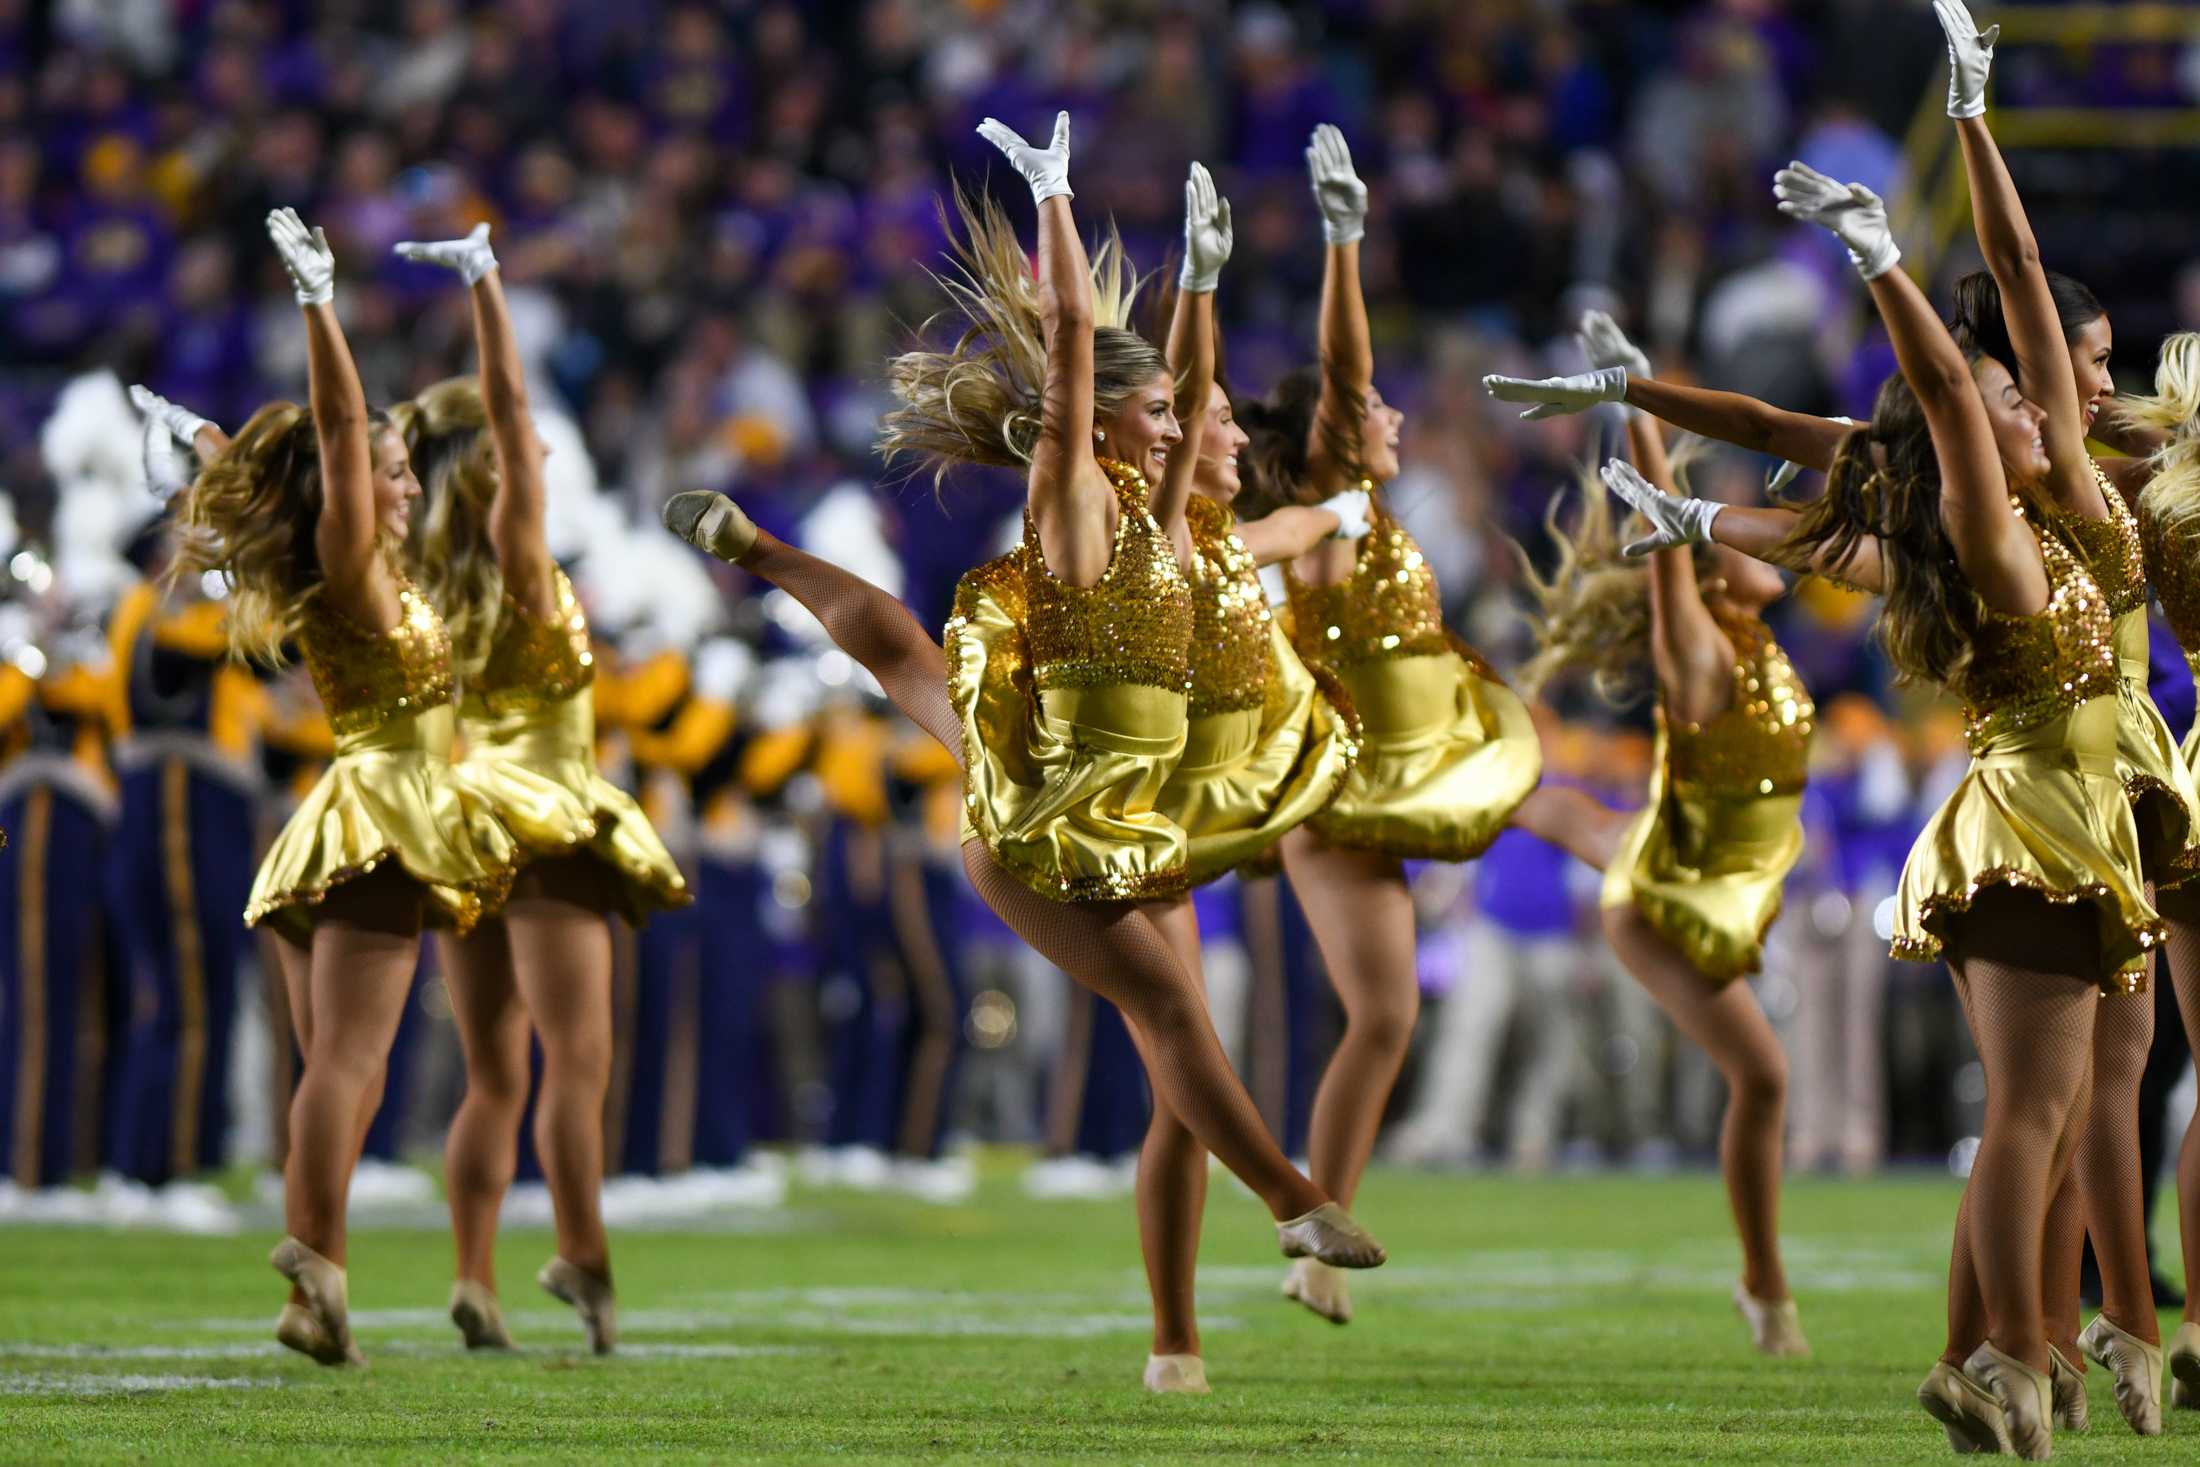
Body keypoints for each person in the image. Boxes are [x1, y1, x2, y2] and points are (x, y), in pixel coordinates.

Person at [663, 116, 1384, 1288]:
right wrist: (1051, 196)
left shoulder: (1162, 518)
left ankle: (756, 548)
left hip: (1124, 786)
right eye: (1149, 418)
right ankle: (1293, 1200)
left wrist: (1204, 277)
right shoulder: (1075, 497)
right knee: (1173, 1018)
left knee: (904, 652)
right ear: (1094, 423)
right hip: (1050, 807)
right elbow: (1067, 352)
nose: (1180, 430)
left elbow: (1193, 390)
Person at [1764, 152, 2154, 1459]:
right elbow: (1946, 378)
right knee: (2032, 1119)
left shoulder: (2058, 512)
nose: (2046, 402)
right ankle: (1998, 1351)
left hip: (2089, 821)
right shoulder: (1986, 524)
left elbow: (2025, 318)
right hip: (2032, 829)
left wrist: (1974, 115)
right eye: (2015, 399)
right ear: (1970, 434)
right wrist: (1880, 254)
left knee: (2053, 1125)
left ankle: (2000, 1351)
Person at [173, 209, 518, 1367]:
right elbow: (330, 425)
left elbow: (287, 461)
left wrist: (221, 458)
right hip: (387, 812)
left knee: (331, 1070)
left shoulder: (360, 575)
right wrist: (319, 301)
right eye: (390, 469)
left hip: (341, 810)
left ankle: (310, 1284)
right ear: (347, 487)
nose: (406, 485)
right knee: (354, 1066)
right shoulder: (356, 567)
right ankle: (314, 1261)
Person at [1234, 125, 1549, 1326]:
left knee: (1383, 1016)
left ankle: (1316, 1238)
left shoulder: (1375, 520)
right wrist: (1344, 239)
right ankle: (1300, 1230)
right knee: (1377, 1015)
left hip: (1402, 779)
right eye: (1377, 412)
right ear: (1338, 428)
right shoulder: (1326, 501)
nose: (1396, 424)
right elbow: (1343, 361)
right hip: (1336, 790)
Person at [392, 221, 693, 1354]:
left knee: (489, 1074)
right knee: (577, 1060)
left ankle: (472, 1274)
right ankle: (584, 1256)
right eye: (532, 453)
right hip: (547, 813)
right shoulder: (517, 556)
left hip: (462, 821)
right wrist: (489, 289)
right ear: (494, 463)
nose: (549, 462)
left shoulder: (413, 574)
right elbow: (516, 427)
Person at [1133, 162, 1370, 1392]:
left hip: (1219, 814)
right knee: (1179, 1072)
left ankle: (1265, 1237)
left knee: (1188, 1064)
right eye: (1207, 420)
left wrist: (1347, 511)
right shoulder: (1157, 523)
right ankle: (1183, 1327)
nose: (1226, 433)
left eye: (1229, 419)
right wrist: (1201, 279)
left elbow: (1296, 523)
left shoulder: (1231, 537)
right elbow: (1169, 395)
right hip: (1134, 824)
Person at [1517, 393, 1811, 1356]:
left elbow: (1677, 516)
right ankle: (1765, 1284)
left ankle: (1501, 789)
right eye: (1734, 544)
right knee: (1761, 1076)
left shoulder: (1760, 641)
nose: (1757, 545)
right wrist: (1638, 424)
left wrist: (1634, 387)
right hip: (1665, 898)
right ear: (1705, 577)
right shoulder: (1699, 647)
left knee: (1593, 822)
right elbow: (1667, 531)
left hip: (1709, 863)